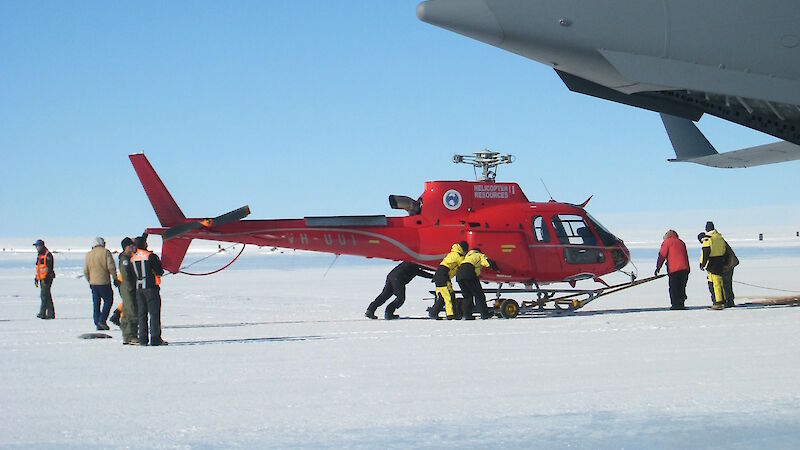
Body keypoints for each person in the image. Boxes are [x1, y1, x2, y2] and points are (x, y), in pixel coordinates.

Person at [365, 262, 434, 320]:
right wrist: (435, 276)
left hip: (392, 276)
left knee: (384, 295)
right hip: (398, 278)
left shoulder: (412, 261)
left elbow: (425, 267)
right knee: (400, 298)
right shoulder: (415, 263)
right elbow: (421, 271)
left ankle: (370, 310)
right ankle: (389, 313)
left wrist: (436, 271)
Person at [131, 235, 167, 346]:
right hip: (151, 288)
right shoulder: (150, 256)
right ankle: (155, 338)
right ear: (145, 244)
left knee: (142, 314)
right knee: (154, 314)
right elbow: (159, 271)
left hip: (139, 289)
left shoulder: (133, 258)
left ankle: (142, 338)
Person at [83, 237, 118, 330]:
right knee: (108, 300)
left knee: (96, 303)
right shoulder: (105, 252)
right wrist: (115, 278)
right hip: (104, 282)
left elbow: (85, 270)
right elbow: (111, 267)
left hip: (93, 283)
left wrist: (89, 280)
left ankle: (97, 321)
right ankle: (102, 320)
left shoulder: (89, 254)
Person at [428, 241, 469, 320]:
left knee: (442, 297)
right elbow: (464, 265)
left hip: (440, 275)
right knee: (450, 296)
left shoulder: (453, 253)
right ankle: (451, 314)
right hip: (444, 276)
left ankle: (434, 313)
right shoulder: (458, 256)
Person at [456, 248, 499, 319]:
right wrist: (497, 268)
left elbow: (476, 270)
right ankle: (484, 314)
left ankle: (467, 315)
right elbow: (487, 263)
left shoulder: (467, 257)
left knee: (467, 296)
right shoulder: (479, 255)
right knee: (479, 295)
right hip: (469, 273)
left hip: (459, 275)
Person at [655, 230, 690, 310]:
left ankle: (676, 304)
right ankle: (681, 303)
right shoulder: (681, 242)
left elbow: (662, 255)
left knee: (674, 287)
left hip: (674, 269)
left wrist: (658, 267)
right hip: (685, 268)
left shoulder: (667, 242)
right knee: (682, 287)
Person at [700, 221, 728, 310]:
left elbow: (706, 252)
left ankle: (717, 302)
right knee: (720, 282)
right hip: (720, 260)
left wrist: (702, 264)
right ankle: (723, 300)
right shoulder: (719, 237)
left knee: (714, 283)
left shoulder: (708, 239)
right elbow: (724, 249)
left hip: (712, 262)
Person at [116, 237, 139, 345]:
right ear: (126, 247)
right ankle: (131, 336)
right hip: (128, 287)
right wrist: (131, 286)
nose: (133, 247)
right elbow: (126, 275)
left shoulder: (128, 258)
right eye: (131, 246)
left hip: (127, 286)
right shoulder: (125, 260)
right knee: (131, 311)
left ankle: (126, 335)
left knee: (126, 310)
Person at [33, 239, 56, 319]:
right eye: (36, 246)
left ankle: (43, 313)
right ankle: (50, 313)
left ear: (41, 246)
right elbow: (38, 268)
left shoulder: (47, 255)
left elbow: (50, 267)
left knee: (44, 295)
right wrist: (36, 278)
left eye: (37, 246)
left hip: (47, 278)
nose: (36, 248)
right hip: (41, 278)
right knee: (46, 295)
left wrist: (47, 276)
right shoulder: (39, 255)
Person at [722, 241, 739, 308]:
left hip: (729, 264)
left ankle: (729, 301)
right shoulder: (720, 241)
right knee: (727, 283)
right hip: (729, 264)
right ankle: (729, 300)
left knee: (726, 283)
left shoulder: (718, 242)